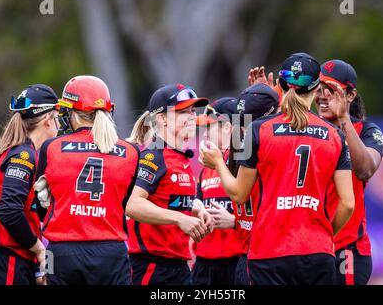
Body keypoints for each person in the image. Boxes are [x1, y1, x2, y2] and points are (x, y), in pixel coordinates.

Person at [200, 52, 355, 285]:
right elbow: (348, 203)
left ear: (281, 86)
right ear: (316, 90)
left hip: (269, 253)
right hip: (317, 253)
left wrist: (218, 163)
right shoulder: (335, 135)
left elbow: (239, 194)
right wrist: (325, 235)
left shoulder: (257, 131)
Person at [34, 75, 139, 285]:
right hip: (112, 252)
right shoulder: (131, 151)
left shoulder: (51, 147)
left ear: (71, 112)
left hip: (61, 252)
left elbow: (40, 208)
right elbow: (124, 204)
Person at [125, 83, 213, 285]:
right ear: (162, 118)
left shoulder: (181, 157)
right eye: (183, 112)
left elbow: (165, 198)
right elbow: (133, 205)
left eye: (192, 110)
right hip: (152, 266)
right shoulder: (154, 155)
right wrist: (179, 219)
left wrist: (194, 208)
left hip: (179, 265)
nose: (192, 116)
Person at [0, 84, 59, 285]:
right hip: (4, 264)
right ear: (47, 119)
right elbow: (10, 212)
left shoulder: (12, 152)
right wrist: (39, 250)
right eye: (57, 116)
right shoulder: (22, 154)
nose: (59, 123)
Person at [316, 60, 383, 285]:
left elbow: (365, 169)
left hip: (347, 250)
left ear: (350, 95)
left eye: (332, 90)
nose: (323, 95)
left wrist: (343, 119)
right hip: (308, 249)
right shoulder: (307, 128)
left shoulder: (366, 131)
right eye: (319, 88)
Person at [191, 97, 244, 285]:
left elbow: (266, 214)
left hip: (236, 261)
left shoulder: (244, 164)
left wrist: (234, 221)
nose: (203, 135)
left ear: (228, 128)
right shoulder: (206, 167)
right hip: (204, 264)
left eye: (209, 128)